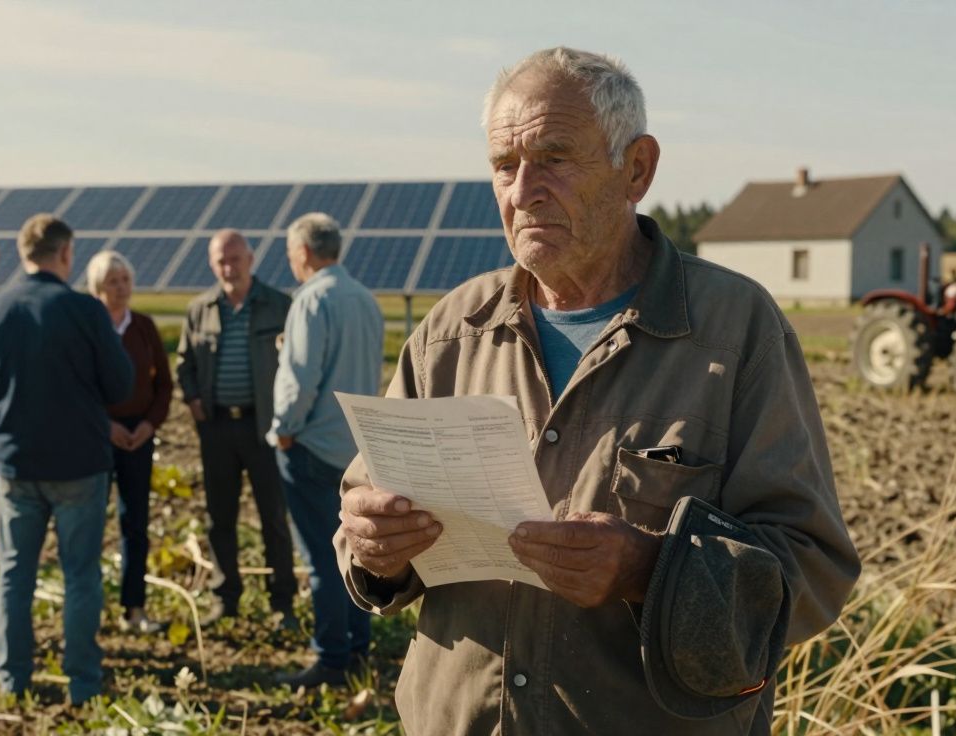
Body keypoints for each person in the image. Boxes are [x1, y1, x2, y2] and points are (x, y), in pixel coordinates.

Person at [334, 47, 861, 733]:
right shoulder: (450, 331)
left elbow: (812, 574)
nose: (522, 191)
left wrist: (648, 569)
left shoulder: (734, 332)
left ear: (636, 168)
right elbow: (360, 513)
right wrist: (372, 547)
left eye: (553, 158)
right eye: (504, 166)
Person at [0, 214, 132, 705]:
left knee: (15, 573)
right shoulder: (84, 311)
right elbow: (120, 385)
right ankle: (82, 679)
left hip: (16, 465)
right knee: (80, 573)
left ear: (23, 253)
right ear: (66, 254)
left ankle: (12, 678)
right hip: (79, 464)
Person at [270, 212, 384, 688]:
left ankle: (331, 658)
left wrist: (283, 430)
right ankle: (357, 646)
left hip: (312, 444)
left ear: (303, 253)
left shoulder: (310, 300)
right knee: (353, 551)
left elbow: (300, 378)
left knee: (321, 557)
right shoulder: (365, 299)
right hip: (355, 448)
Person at [175, 229, 297, 624]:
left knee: (273, 519)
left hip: (263, 428)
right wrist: (193, 400)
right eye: (221, 261)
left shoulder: (278, 305)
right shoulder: (200, 309)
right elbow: (185, 362)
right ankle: (225, 599)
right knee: (219, 519)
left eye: (235, 259)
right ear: (213, 265)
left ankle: (282, 603)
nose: (229, 268)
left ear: (251, 260)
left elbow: (297, 364)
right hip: (217, 429)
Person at [86, 250, 173, 634]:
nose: (121, 289)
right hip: (98, 435)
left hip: (138, 437)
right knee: (89, 523)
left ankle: (134, 608)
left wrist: (149, 425)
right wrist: (106, 426)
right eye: (112, 282)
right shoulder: (89, 328)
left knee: (134, 525)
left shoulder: (143, 327)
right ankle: (88, 608)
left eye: (125, 280)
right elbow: (78, 386)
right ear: (97, 288)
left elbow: (164, 385)